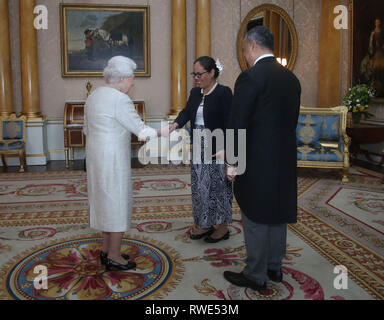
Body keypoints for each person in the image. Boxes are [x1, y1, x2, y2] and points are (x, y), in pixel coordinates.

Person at [224, 26, 301, 292]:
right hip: (284, 158)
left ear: (254, 45)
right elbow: (292, 122)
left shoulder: (250, 77)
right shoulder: (292, 79)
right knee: (277, 212)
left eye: (245, 50)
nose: (245, 55)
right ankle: (274, 267)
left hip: (256, 159)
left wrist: (232, 162)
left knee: (254, 213)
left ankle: (255, 274)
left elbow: (237, 124)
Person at [84, 56, 169, 271]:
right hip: (112, 160)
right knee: (118, 202)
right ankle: (114, 256)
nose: (132, 83)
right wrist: (163, 131)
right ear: (121, 78)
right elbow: (141, 130)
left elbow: (86, 129)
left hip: (95, 157)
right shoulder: (119, 99)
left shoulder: (94, 95)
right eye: (131, 78)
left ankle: (105, 250)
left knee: (104, 200)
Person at [168, 56, 233, 243]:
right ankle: (205, 223)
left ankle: (221, 228)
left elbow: (230, 121)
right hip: (198, 144)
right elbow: (187, 112)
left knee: (218, 188)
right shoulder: (195, 93)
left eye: (200, 74)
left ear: (212, 73)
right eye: (194, 74)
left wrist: (229, 149)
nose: (196, 78)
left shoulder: (224, 93)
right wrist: (174, 125)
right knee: (200, 188)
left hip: (217, 146)